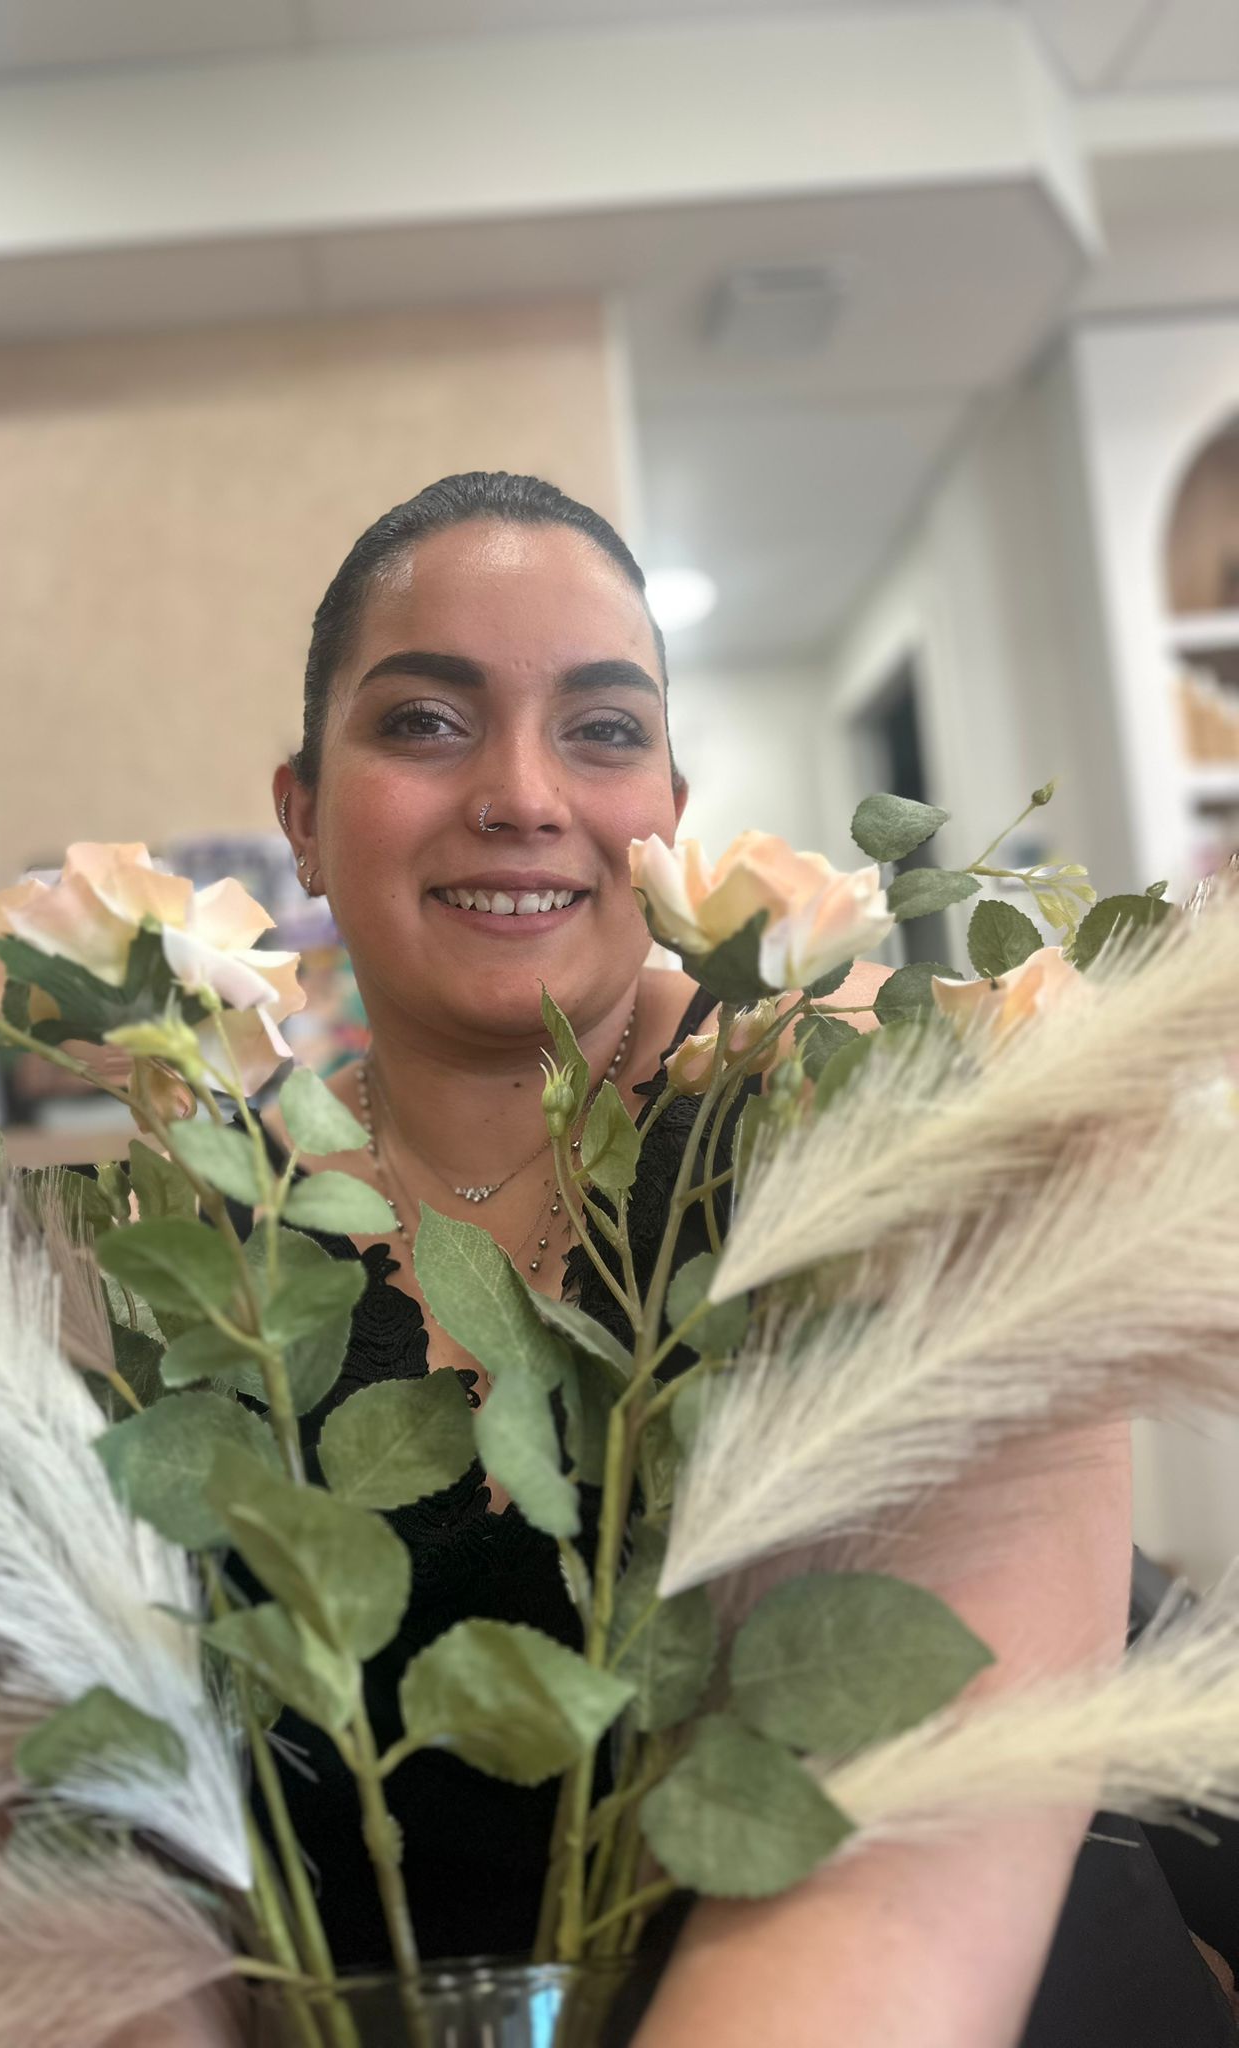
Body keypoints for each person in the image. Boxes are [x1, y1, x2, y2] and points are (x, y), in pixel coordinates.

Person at [252, 471, 1237, 2045]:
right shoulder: (215, 1238)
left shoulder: (864, 1125)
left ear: (669, 818)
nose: (522, 791)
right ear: (303, 813)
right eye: (427, 722)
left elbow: (927, 1814)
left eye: (602, 727)